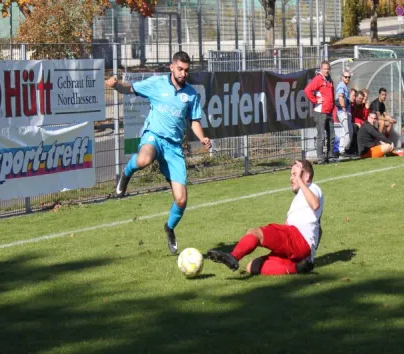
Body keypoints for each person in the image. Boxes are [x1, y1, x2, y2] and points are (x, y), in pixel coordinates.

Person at [105, 51, 211, 255]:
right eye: (180, 69)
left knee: (181, 200)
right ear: (171, 67)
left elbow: (195, 121)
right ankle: (126, 175)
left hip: (174, 148)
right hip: (154, 136)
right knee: (144, 159)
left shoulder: (191, 94)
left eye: (186, 70)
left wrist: (202, 137)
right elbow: (131, 89)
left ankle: (169, 228)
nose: (183, 73)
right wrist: (116, 85)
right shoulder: (157, 83)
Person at [207, 160, 324, 275]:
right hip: (300, 247)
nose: (291, 178)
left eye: (295, 174)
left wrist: (300, 180)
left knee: (255, 233)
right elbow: (317, 228)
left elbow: (315, 204)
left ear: (306, 176)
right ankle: (297, 268)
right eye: (291, 175)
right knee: (252, 266)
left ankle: (233, 256)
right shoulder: (300, 198)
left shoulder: (312, 187)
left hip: (297, 238)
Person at [304, 60, 336, 164]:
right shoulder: (318, 79)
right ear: (321, 69)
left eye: (328, 69)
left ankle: (330, 156)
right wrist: (315, 100)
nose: (327, 71)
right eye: (325, 69)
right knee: (321, 136)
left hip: (329, 111)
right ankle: (321, 158)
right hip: (320, 112)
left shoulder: (330, 80)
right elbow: (307, 90)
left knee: (332, 135)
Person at [334, 70, 353, 157]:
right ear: (342, 77)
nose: (347, 78)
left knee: (348, 131)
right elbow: (340, 96)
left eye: (349, 77)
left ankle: (344, 150)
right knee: (346, 131)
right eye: (346, 77)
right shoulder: (341, 85)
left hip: (346, 111)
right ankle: (342, 150)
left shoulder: (345, 86)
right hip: (343, 111)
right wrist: (344, 108)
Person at [348, 91, 369, 156]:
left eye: (362, 99)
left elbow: (364, 117)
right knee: (355, 128)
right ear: (356, 97)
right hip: (350, 122)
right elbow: (351, 116)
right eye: (359, 98)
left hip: (357, 123)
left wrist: (366, 109)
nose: (360, 100)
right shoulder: (351, 105)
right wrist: (358, 122)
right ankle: (353, 150)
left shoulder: (361, 106)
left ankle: (364, 149)